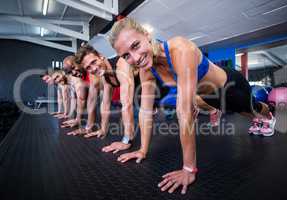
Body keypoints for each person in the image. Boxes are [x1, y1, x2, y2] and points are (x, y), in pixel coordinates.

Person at [108, 18, 276, 194]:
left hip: (230, 87)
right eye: (126, 55)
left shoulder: (180, 49)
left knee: (253, 111)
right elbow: (145, 111)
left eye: (135, 45)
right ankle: (240, 115)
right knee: (238, 112)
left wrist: (189, 169)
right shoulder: (146, 70)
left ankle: (270, 116)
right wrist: (142, 150)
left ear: (147, 36)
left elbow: (184, 111)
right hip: (210, 98)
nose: (135, 58)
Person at [74, 44, 136, 154]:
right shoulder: (105, 76)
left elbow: (127, 103)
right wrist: (103, 129)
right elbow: (105, 103)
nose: (93, 68)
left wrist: (126, 140)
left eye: (94, 62)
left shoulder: (121, 64)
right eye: (88, 67)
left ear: (101, 56)